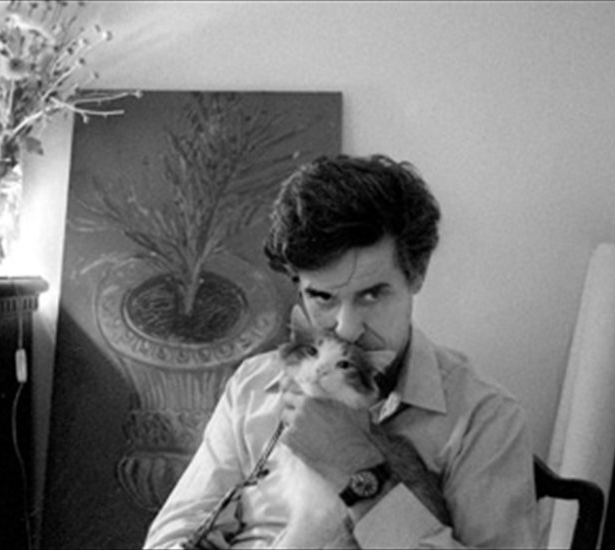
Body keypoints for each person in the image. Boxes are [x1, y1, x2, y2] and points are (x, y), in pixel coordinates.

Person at [143, 154, 540, 548]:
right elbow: (172, 533)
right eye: (323, 297)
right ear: (298, 287)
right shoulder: (253, 384)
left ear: (417, 274)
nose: (347, 327)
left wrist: (357, 468)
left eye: (371, 294)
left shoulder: (485, 418)